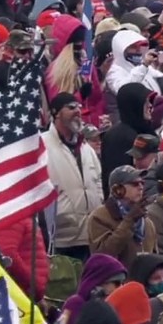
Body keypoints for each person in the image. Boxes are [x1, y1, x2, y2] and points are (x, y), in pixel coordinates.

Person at [44, 92, 105, 262]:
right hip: (62, 238)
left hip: (92, 234)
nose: (78, 111)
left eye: (79, 107)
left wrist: (98, 203)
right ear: (56, 113)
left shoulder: (86, 148)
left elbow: (98, 180)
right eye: (71, 107)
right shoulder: (42, 146)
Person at [87, 165, 159, 266]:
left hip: (142, 281)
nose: (141, 187)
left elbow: (154, 257)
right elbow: (103, 255)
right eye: (135, 184)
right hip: (116, 280)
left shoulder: (147, 222)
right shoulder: (99, 217)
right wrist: (129, 221)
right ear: (118, 189)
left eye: (142, 183)